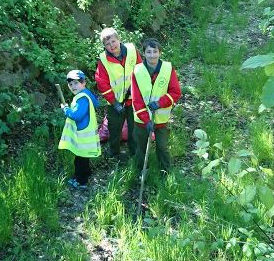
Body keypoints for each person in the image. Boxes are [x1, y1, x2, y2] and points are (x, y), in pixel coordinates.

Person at [131, 38, 182, 179]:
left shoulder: (168, 68)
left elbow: (175, 92)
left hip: (161, 120)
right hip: (141, 121)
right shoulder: (137, 71)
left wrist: (160, 103)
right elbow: (136, 99)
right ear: (144, 53)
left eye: (155, 51)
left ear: (160, 52)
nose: (152, 55)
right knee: (140, 148)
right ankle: (141, 171)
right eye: (149, 52)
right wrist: (146, 120)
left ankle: (165, 172)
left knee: (162, 147)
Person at [94, 27, 142, 162]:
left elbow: (141, 70)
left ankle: (135, 154)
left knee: (135, 129)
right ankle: (114, 155)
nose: (111, 46)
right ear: (104, 46)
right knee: (114, 129)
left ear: (119, 39)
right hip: (115, 103)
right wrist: (114, 103)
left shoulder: (132, 51)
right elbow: (102, 83)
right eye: (107, 44)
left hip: (133, 100)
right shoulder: (103, 60)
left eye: (113, 42)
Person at [58, 69, 100, 189]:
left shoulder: (82, 98)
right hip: (84, 133)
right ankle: (86, 173)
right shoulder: (87, 93)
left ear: (83, 83)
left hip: (82, 134)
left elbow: (77, 115)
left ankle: (82, 181)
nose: (73, 86)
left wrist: (66, 109)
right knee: (83, 157)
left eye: (76, 83)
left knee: (80, 160)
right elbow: (96, 103)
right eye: (70, 84)